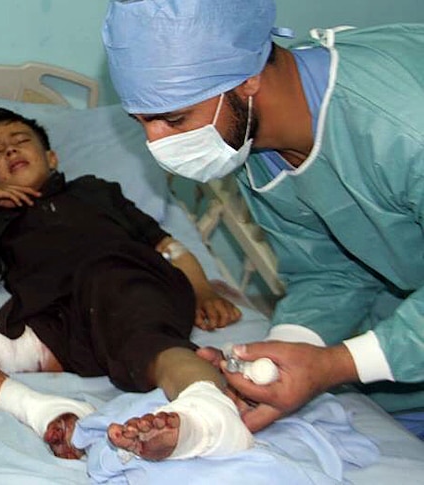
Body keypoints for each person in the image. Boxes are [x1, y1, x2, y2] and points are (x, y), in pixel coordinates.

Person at [103, 0, 424, 438]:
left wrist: (337, 364)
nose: (156, 144)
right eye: (141, 121)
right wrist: (272, 361)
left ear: (248, 78)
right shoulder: (254, 147)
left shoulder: (404, 124)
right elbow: (329, 273)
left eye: (174, 118)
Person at [0, 106, 250, 462]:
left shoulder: (95, 191)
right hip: (53, 325)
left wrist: (202, 289)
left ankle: (207, 412)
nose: (11, 151)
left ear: (51, 156)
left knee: (124, 305)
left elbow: (168, 248)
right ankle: (41, 409)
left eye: (19, 141)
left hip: (127, 291)